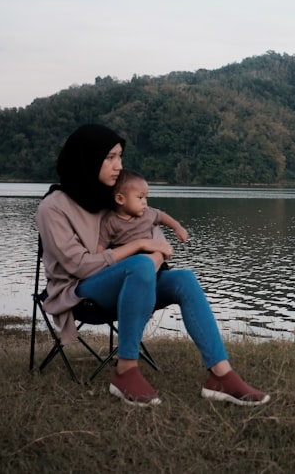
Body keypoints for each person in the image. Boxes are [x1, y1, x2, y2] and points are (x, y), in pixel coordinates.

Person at [35, 123, 269, 407]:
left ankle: (220, 374)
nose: (118, 166)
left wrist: (155, 256)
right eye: (110, 157)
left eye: (120, 157)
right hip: (79, 292)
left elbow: (150, 232)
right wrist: (140, 250)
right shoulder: (53, 208)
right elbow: (79, 266)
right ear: (86, 158)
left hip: (130, 281)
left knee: (184, 279)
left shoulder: (109, 196)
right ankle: (125, 372)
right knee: (141, 266)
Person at [97, 169, 189, 258]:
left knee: (185, 274)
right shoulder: (110, 222)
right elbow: (100, 251)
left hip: (153, 258)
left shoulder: (148, 213)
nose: (144, 202)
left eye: (146, 197)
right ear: (120, 199)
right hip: (128, 263)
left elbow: (161, 216)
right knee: (143, 262)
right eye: (140, 197)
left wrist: (177, 228)